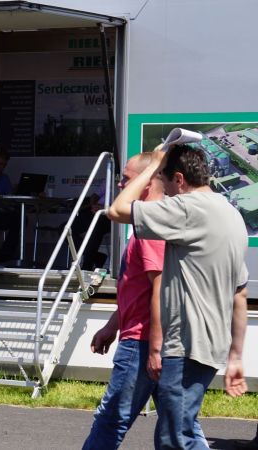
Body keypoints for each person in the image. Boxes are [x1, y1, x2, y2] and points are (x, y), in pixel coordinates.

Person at [108, 144, 248, 449]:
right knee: (179, 433)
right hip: (209, 346)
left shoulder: (188, 209)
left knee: (176, 439)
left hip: (184, 345)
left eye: (166, 181)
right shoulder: (232, 215)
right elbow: (241, 294)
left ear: (180, 179)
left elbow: (116, 210)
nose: (167, 192)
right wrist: (236, 355)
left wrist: (150, 166)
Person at [82, 153, 205, 449]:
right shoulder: (151, 224)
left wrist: (154, 348)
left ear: (147, 182)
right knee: (181, 426)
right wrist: (112, 325)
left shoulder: (150, 228)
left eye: (126, 178)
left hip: (142, 344)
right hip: (147, 340)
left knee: (112, 420)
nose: (122, 183)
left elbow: (160, 289)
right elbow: (136, 288)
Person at [71, 181, 112, 271]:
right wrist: (94, 205)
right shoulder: (110, 179)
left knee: (95, 227)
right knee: (65, 228)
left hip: (110, 216)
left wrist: (104, 208)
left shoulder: (129, 182)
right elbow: (95, 195)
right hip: (95, 211)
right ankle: (96, 256)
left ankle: (87, 265)